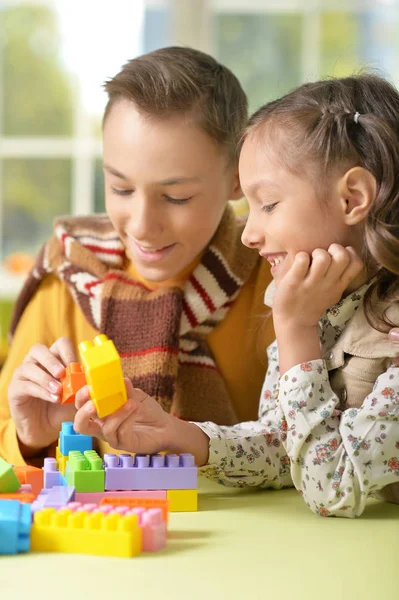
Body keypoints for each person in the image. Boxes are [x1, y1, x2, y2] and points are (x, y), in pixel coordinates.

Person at [73, 73, 399, 518]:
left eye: (267, 204)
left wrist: (296, 331)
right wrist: (182, 436)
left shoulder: (310, 318)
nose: (248, 235)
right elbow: (289, 449)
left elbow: (331, 487)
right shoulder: (318, 306)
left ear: (353, 198)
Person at [1, 47, 275, 466]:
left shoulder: (278, 278)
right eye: (121, 189)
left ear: (237, 179)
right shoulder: (67, 277)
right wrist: (30, 437)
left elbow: (321, 446)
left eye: (176, 196)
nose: (143, 225)